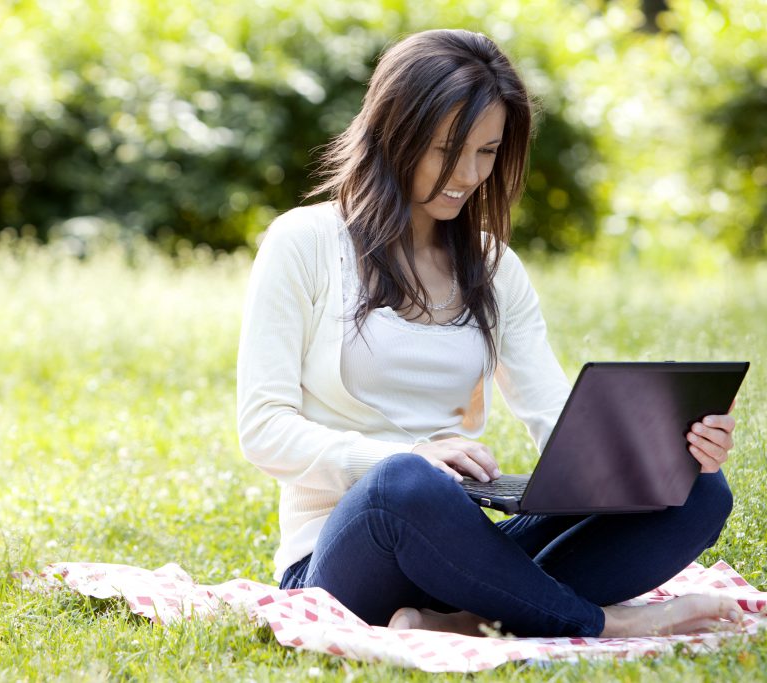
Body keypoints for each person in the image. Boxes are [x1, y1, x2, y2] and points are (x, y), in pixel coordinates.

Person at [235, 29, 741, 638]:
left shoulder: (493, 267)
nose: (468, 175)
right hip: (345, 555)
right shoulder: (305, 243)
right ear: (394, 129)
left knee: (702, 494)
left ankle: (461, 620)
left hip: (464, 547)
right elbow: (262, 429)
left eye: (487, 151)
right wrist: (404, 455)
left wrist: (662, 456)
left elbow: (555, 417)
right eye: (448, 148)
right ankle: (603, 624)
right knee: (407, 484)